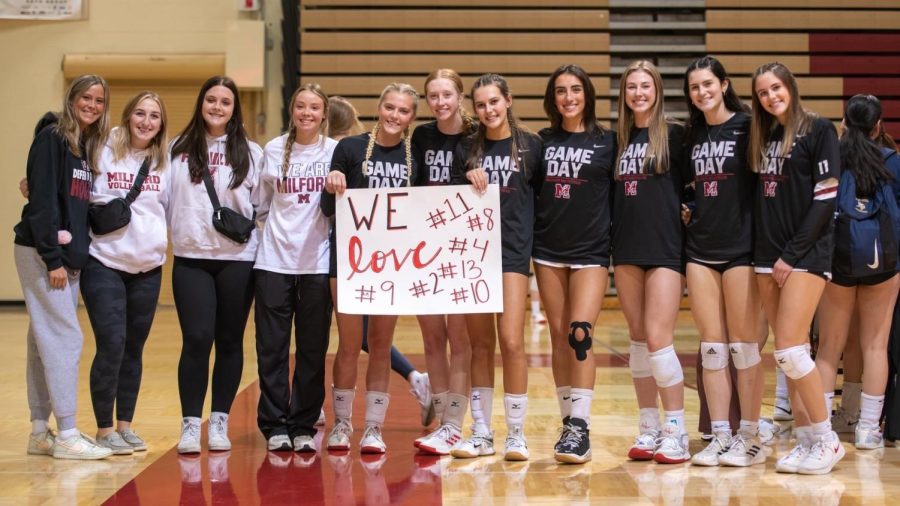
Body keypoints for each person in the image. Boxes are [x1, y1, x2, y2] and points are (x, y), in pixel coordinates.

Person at [749, 62, 843, 474]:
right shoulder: (764, 135)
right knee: (792, 353)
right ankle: (807, 441)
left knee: (788, 347)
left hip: (804, 256)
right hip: (767, 258)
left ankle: (826, 440)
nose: (771, 97)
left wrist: (792, 255)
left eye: (776, 88)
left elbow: (825, 199)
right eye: (763, 93)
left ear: (790, 86)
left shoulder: (819, 130)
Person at [15, 74, 113, 459]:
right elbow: (41, 203)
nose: (91, 104)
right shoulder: (53, 138)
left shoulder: (84, 145)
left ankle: (41, 431)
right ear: (71, 98)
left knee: (43, 341)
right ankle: (68, 432)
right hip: (44, 255)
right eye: (85, 97)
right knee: (64, 339)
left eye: (99, 100)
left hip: (65, 257)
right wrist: (52, 258)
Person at [324, 95, 433, 429]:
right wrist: (332, 185)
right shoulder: (349, 149)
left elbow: (425, 210)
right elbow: (328, 209)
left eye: (403, 110)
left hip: (392, 262)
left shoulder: (416, 156)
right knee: (350, 344)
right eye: (390, 107)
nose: (394, 115)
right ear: (379, 108)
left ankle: (374, 427)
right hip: (349, 258)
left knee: (381, 344)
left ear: (411, 116)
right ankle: (342, 424)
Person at [681, 56, 769, 467]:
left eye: (708, 84)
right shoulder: (692, 135)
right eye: (695, 87)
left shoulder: (749, 126)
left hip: (741, 250)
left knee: (744, 348)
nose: (702, 92)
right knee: (712, 349)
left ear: (724, 84)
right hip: (700, 249)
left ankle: (750, 435)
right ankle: (720, 435)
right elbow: (687, 187)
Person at [169, 76, 264, 453]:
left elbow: (265, 204)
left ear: (234, 108)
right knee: (195, 340)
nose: (217, 107)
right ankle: (191, 423)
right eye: (211, 99)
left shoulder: (251, 152)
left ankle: (219, 420)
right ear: (201, 102)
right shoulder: (177, 148)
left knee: (228, 341)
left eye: (225, 102)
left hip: (238, 260)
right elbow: (156, 197)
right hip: (191, 258)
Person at [451, 73, 543, 461]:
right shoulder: (466, 149)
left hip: (513, 254)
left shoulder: (531, 145)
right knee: (481, 344)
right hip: (473, 255)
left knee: (511, 340)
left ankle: (516, 433)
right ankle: (482, 430)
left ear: (508, 100)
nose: (488, 110)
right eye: (481, 104)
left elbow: (541, 199)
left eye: (494, 101)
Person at [533, 64, 615, 464]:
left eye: (576, 90)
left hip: (591, 252)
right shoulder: (541, 142)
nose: (569, 97)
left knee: (580, 334)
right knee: (558, 336)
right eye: (561, 91)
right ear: (553, 98)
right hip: (547, 250)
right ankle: (567, 423)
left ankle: (580, 427)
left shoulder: (609, 141)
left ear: (588, 95)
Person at [81, 91, 170, 455]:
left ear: (161, 123)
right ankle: (104, 430)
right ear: (128, 114)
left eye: (154, 116)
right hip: (104, 262)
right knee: (112, 344)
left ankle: (125, 426)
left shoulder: (165, 161)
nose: (146, 121)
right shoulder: (102, 146)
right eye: (140, 113)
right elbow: (70, 183)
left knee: (134, 348)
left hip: (148, 267)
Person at [613, 60, 690, 464]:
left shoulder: (676, 136)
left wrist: (691, 209)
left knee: (660, 340)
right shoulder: (619, 139)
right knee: (639, 339)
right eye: (631, 87)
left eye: (645, 86)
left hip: (664, 249)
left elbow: (698, 184)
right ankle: (648, 428)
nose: (638, 93)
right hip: (626, 249)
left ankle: (676, 430)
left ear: (657, 90)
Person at [815, 94, 900, 450]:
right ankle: (868, 428)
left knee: (828, 349)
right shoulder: (893, 161)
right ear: (879, 127)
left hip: (838, 261)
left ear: (844, 124)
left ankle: (820, 429)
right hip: (884, 263)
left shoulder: (832, 158)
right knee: (875, 346)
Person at [254, 83, 336, 452]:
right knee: (271, 348)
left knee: (312, 348)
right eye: (301, 106)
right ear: (292, 110)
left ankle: (303, 423)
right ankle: (274, 425)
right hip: (274, 262)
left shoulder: (336, 151)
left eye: (314, 108)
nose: (307, 113)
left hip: (317, 264)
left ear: (324, 114)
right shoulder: (273, 149)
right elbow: (261, 205)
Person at [411, 68, 477, 455]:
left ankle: (455, 423)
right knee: (432, 337)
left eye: (446, 95)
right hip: (424, 247)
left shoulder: (476, 136)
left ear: (460, 96)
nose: (440, 102)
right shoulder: (420, 136)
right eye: (432, 96)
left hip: (464, 247)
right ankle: (441, 420)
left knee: (460, 339)